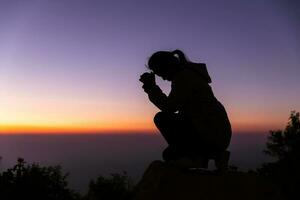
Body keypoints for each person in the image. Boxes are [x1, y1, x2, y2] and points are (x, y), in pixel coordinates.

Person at [139, 50, 232, 169]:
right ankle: (216, 154)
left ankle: (196, 158)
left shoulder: (183, 76)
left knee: (162, 118)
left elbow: (170, 107)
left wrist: (151, 87)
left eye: (160, 73)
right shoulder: (188, 75)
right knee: (170, 154)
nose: (162, 78)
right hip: (216, 131)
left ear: (167, 65)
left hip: (211, 131)